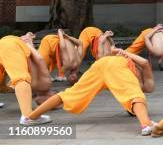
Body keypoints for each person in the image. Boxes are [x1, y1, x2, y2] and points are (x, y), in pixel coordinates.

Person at [27, 47, 156, 135]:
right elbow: (144, 62)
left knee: (71, 94)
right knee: (135, 94)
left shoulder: (124, 84)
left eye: (132, 109)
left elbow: (131, 95)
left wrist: (117, 52)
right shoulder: (146, 85)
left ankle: (31, 117)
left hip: (101, 65)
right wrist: (123, 52)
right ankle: (146, 124)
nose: (131, 106)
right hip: (116, 64)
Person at [0, 33, 53, 125]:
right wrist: (29, 43)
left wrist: (4, 87)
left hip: (8, 45)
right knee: (21, 78)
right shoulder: (45, 84)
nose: (43, 104)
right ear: (51, 95)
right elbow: (39, 59)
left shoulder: (33, 88)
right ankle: (28, 117)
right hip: (11, 44)